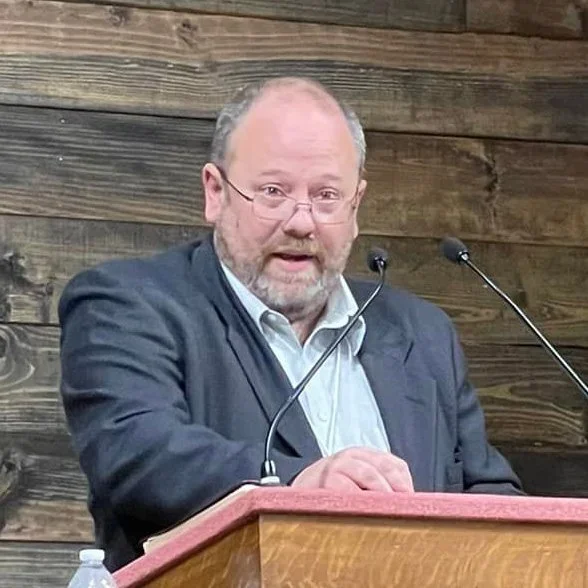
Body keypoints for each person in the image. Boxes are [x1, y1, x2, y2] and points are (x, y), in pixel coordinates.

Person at [59, 77, 523, 571]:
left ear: (356, 206)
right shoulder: (129, 304)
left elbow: (491, 498)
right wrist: (299, 485)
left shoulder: (421, 333)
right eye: (274, 191)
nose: (302, 222)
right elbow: (139, 456)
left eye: (326, 195)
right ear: (216, 193)